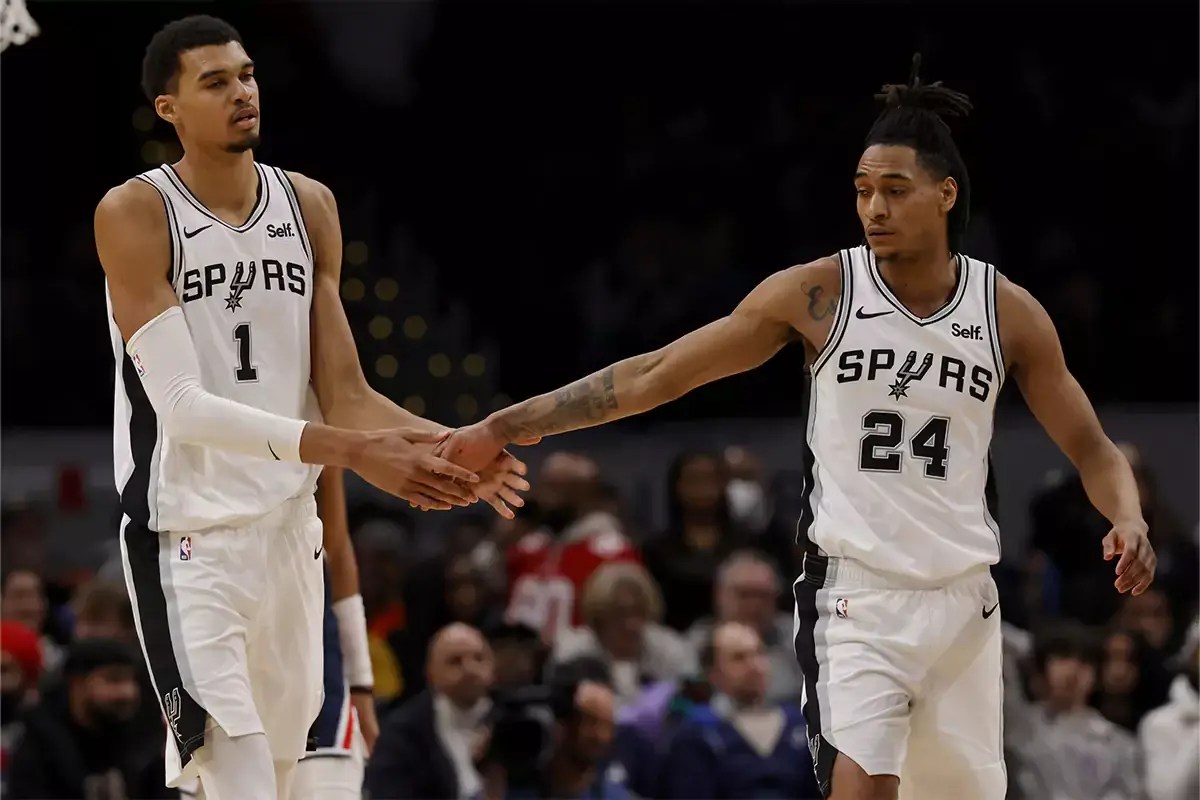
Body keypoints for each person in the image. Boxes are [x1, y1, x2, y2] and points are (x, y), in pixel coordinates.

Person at [440, 55, 1156, 800]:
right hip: (856, 596)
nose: (873, 208)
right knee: (865, 782)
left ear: (946, 195)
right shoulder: (820, 293)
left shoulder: (1005, 310)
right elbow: (659, 373)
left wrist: (1129, 515)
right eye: (862, 191)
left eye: (894, 191)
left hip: (964, 602)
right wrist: (508, 421)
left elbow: (1092, 448)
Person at [94, 15, 529, 798]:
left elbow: (349, 395)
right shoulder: (135, 214)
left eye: (248, 75)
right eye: (216, 82)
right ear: (169, 109)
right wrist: (355, 453)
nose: (242, 93)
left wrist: (456, 441)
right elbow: (185, 408)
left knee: (289, 782)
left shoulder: (309, 206)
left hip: (291, 541)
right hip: (189, 541)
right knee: (238, 781)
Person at [291, 468, 378, 798]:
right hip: (225, 670)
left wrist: (361, 686)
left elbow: (338, 554)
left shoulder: (312, 424)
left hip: (317, 688)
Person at [661, 622, 818, 799]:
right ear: (713, 672)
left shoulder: (801, 725)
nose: (754, 665)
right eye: (739, 658)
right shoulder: (695, 734)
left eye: (758, 653)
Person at [7, 638, 173, 799]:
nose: (128, 692)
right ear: (77, 683)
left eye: (131, 680)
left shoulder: (141, 735)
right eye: (113, 679)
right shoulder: (40, 742)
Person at [365, 623, 495, 800]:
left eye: (478, 658)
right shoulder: (402, 732)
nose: (469, 669)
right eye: (455, 661)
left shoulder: (512, 716)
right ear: (430, 673)